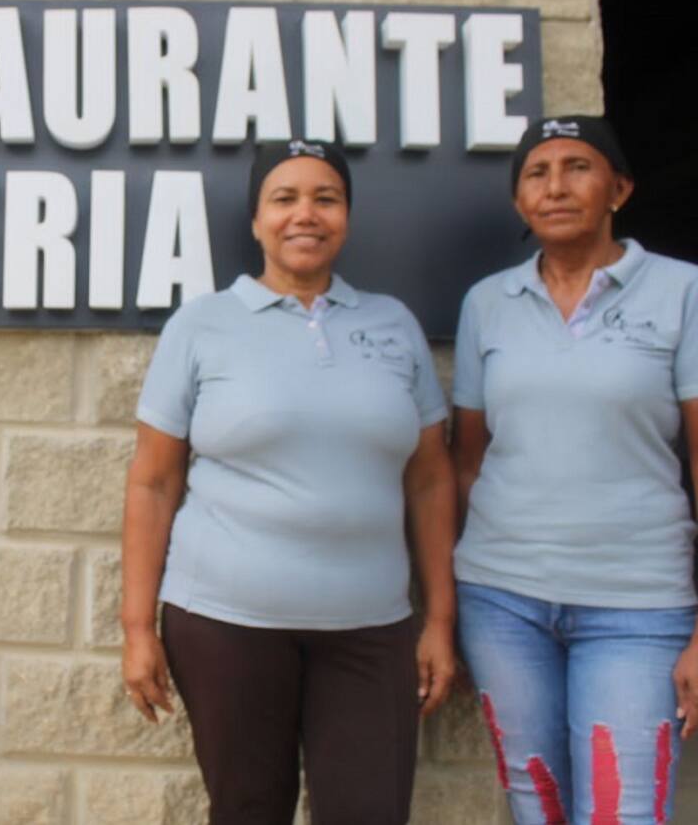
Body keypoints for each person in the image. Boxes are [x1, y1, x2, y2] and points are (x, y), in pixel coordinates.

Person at [120, 139, 457, 825]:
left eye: (325, 198)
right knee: (248, 810)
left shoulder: (392, 324)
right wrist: (135, 626)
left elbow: (429, 481)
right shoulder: (202, 325)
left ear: (347, 218)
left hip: (371, 628)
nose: (306, 214)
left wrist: (441, 621)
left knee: (370, 812)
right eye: (285, 198)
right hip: (224, 622)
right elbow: (153, 483)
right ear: (255, 220)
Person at [453, 115, 698, 824]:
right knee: (540, 804)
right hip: (502, 602)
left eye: (578, 167)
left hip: (640, 605)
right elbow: (466, 462)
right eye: (537, 172)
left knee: (623, 812)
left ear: (619, 188)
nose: (556, 186)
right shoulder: (488, 303)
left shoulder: (681, 292)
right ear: (519, 202)